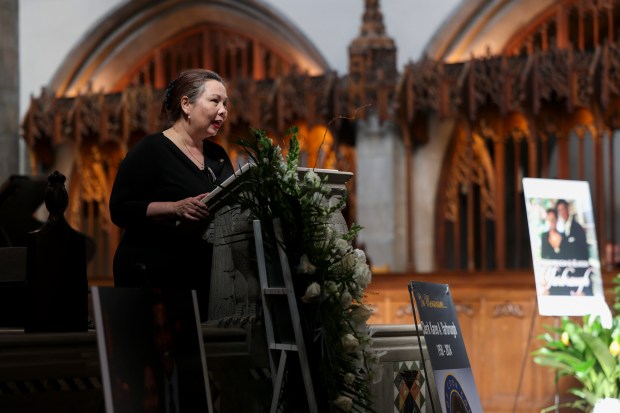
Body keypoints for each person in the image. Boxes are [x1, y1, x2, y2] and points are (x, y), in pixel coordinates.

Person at [109, 69, 234, 302]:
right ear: (186, 104)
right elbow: (120, 209)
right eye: (215, 101)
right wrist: (175, 208)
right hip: (154, 272)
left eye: (225, 104)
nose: (223, 111)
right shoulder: (152, 149)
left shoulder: (218, 155)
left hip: (204, 274)